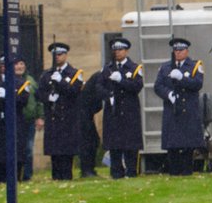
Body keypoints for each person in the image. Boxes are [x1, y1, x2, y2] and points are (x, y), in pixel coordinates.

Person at [153, 37, 205, 176]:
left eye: (181, 50)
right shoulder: (165, 67)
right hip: (172, 111)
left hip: (188, 110)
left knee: (188, 145)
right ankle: (174, 171)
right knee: (173, 145)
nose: (178, 52)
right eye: (176, 50)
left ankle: (187, 170)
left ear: (187, 51)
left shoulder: (195, 66)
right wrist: (168, 94)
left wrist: (182, 78)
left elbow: (198, 84)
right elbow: (158, 86)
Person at [38, 42, 86, 181]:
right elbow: (39, 93)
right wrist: (48, 97)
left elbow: (75, 91)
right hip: (53, 118)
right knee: (55, 152)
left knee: (66, 152)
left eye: (60, 54)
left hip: (68, 119)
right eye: (55, 55)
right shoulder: (47, 74)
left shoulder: (75, 74)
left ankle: (66, 177)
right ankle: (56, 177)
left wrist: (61, 82)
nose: (57, 57)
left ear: (65, 55)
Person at [99, 38, 144, 179]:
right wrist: (108, 96)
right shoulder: (107, 68)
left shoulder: (134, 68)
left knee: (130, 145)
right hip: (113, 112)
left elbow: (137, 86)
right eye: (115, 50)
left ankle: (131, 171)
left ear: (126, 51)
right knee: (115, 145)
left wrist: (122, 81)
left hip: (129, 111)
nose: (117, 52)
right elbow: (99, 86)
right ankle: (116, 172)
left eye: (120, 50)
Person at [0, 57, 32, 183]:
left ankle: (16, 179)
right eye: (2, 65)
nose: (4, 67)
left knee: (16, 153)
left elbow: (23, 101)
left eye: (6, 65)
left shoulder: (20, 83)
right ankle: (0, 180)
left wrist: (9, 96)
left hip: (16, 122)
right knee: (0, 155)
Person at [15, 60, 41, 181]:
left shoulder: (31, 81)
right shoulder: (9, 80)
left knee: (28, 148)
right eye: (17, 64)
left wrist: (40, 116)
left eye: (22, 64)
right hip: (16, 120)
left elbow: (38, 99)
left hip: (29, 120)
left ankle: (27, 175)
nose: (19, 67)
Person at [78, 70, 103, 177]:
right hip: (83, 112)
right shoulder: (100, 77)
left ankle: (89, 168)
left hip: (87, 112)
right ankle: (86, 169)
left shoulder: (98, 76)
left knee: (93, 140)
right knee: (88, 141)